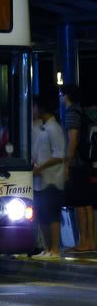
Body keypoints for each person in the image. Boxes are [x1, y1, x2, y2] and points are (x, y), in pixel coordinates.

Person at [62, 84, 96, 251]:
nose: (61, 97)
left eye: (62, 94)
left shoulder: (71, 113)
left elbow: (73, 140)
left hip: (77, 163)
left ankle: (84, 242)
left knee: (80, 205)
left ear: (66, 96)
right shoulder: (82, 111)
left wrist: (67, 164)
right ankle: (91, 241)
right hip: (86, 162)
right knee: (88, 203)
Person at [32, 96, 65, 257]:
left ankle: (55, 249)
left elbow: (59, 155)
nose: (33, 110)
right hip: (41, 179)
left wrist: (40, 167)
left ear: (41, 108)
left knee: (52, 215)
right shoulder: (44, 128)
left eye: (34, 107)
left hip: (52, 179)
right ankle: (47, 248)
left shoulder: (53, 128)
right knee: (43, 214)